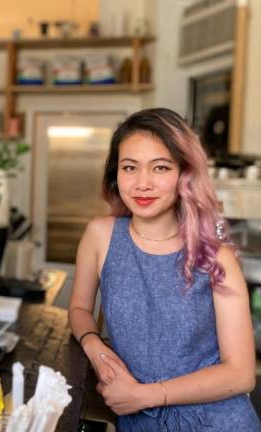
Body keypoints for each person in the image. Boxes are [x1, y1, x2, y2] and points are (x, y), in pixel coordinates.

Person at [68, 108, 261, 430]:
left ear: (184, 175)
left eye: (160, 167)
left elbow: (241, 375)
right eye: (130, 167)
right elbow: (78, 308)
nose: (142, 184)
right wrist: (95, 348)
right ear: (116, 174)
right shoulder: (100, 235)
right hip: (137, 421)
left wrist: (146, 395)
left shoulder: (216, 256)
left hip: (216, 422)